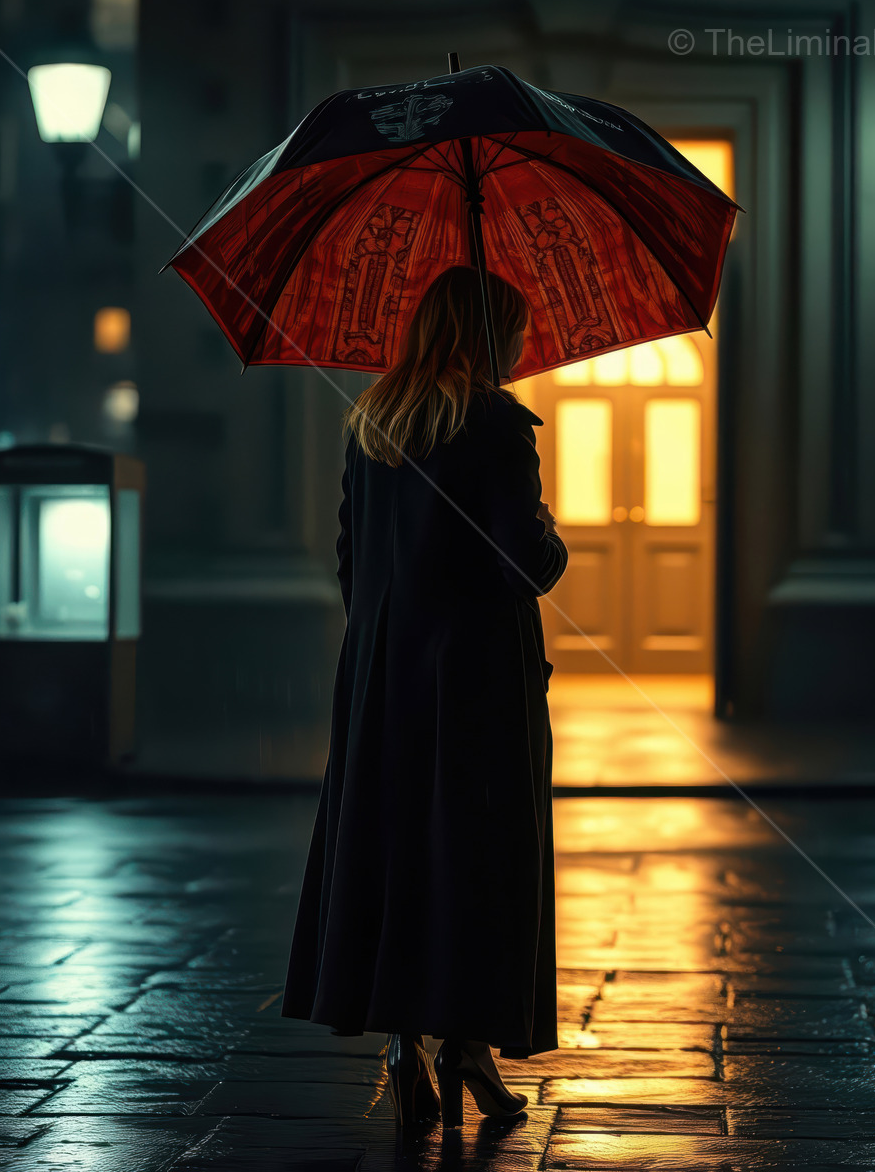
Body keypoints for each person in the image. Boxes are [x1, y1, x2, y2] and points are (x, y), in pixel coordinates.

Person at [280, 265, 568, 1128]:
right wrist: (550, 532)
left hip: (384, 680)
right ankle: (470, 1045)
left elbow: (350, 559)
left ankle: (406, 1047)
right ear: (487, 334)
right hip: (476, 684)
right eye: (511, 330)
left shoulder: (373, 421)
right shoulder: (495, 425)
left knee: (397, 853)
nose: (520, 347)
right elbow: (525, 565)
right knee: (479, 858)